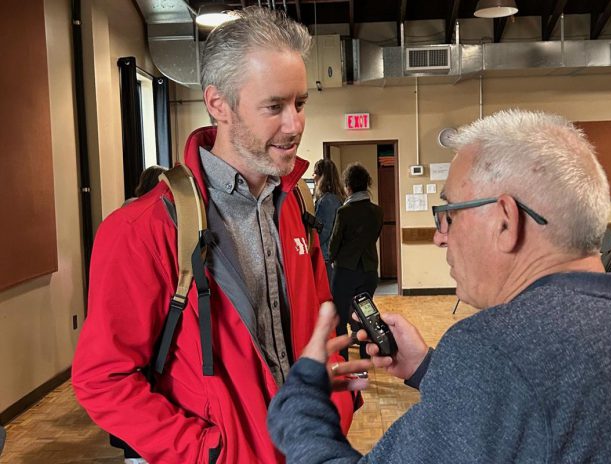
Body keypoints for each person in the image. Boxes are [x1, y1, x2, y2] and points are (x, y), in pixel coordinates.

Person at [267, 109, 611, 463]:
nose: (439, 236)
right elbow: (545, 422)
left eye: (449, 213)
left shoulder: (493, 350)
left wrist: (301, 396)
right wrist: (428, 370)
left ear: (506, 221)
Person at [72, 7, 361, 464]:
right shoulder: (142, 229)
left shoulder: (297, 206)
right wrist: (207, 452)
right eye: (274, 107)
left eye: (300, 103)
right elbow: (103, 378)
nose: (295, 125)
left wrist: (338, 404)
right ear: (217, 104)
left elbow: (314, 331)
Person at [328, 163, 383, 360]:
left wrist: (330, 259)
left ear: (348, 186)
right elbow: (374, 237)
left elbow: (334, 244)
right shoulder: (377, 211)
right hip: (369, 272)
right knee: (365, 317)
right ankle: (365, 363)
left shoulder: (345, 212)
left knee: (341, 319)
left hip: (345, 272)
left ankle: (343, 360)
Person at [312, 159, 345, 282]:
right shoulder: (337, 198)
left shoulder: (327, 201)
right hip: (333, 255)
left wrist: (310, 245)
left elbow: (324, 231)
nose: (313, 177)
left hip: (326, 255)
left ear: (321, 176)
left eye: (315, 173)